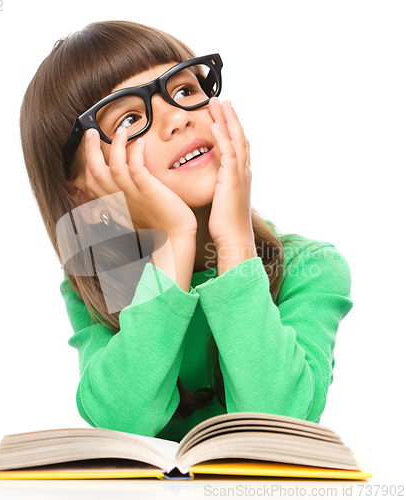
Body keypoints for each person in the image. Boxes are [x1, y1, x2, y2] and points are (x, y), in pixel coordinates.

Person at [20, 20, 353, 442]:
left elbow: (281, 422)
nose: (177, 118)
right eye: (129, 119)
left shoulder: (311, 266)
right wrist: (173, 239)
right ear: (85, 183)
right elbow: (119, 423)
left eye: (184, 91)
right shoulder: (97, 286)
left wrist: (234, 240)